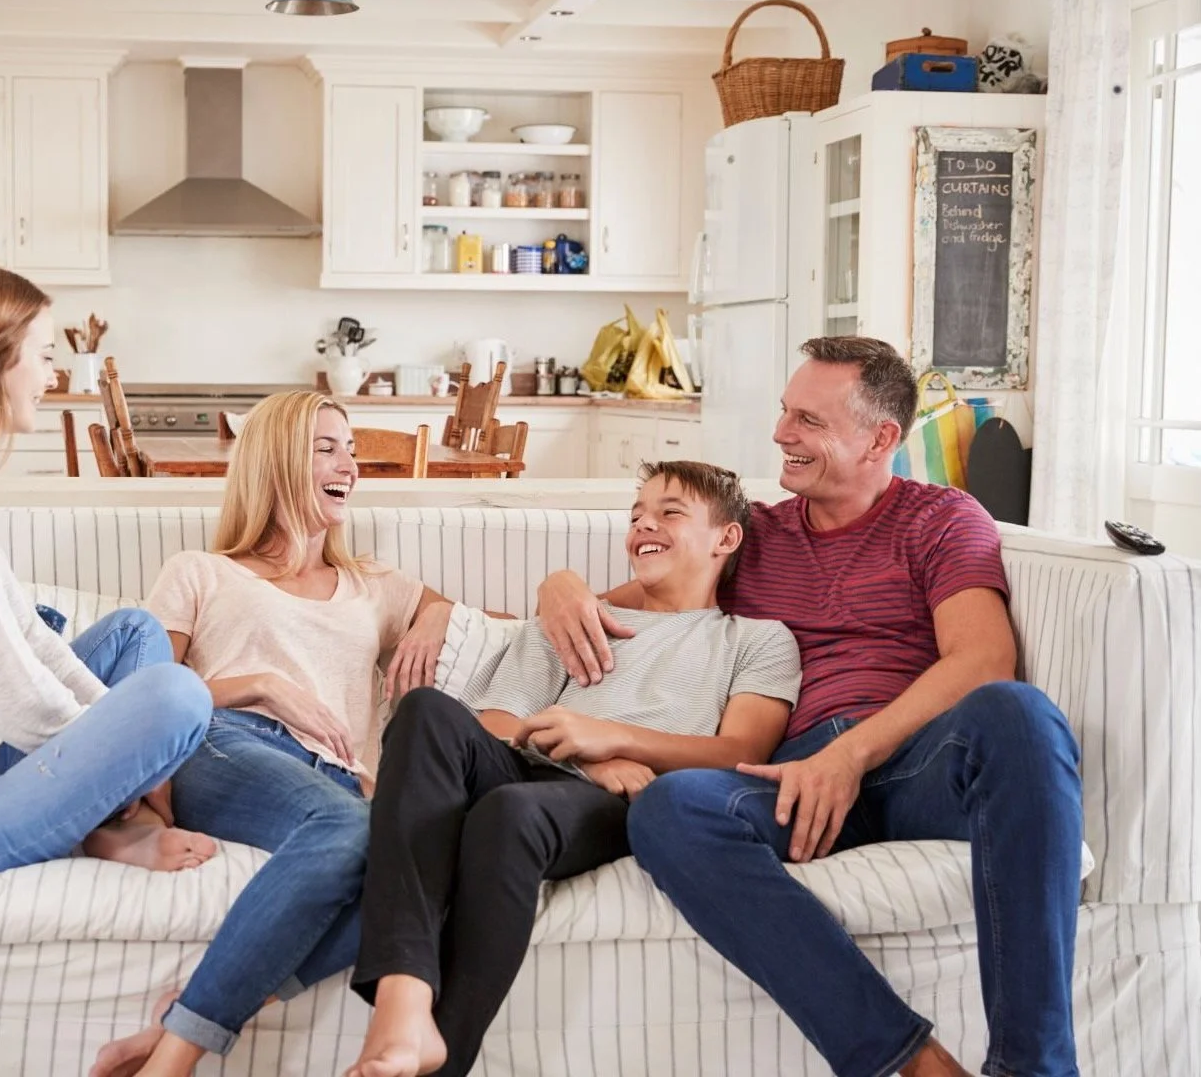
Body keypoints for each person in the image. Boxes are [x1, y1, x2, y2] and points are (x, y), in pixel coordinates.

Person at [536, 338, 1083, 1077]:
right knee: (670, 809)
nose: (779, 435)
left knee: (1019, 714)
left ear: (880, 438)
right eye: (783, 413)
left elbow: (982, 659)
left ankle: (1034, 1068)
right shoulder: (751, 537)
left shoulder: (941, 520)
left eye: (807, 421)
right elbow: (616, 605)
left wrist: (851, 756)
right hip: (791, 778)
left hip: (912, 762)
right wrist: (558, 586)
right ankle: (913, 1063)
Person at [346, 460, 803, 1077]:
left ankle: (439, 1058)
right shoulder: (577, 619)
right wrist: (590, 752)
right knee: (426, 709)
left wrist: (613, 742)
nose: (645, 524)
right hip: (537, 764)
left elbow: (738, 752)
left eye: (670, 511)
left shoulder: (756, 639)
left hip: (619, 802)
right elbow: (496, 724)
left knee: (511, 815)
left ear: (726, 538)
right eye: (637, 514)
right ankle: (403, 1001)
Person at [91, 390, 457, 1077]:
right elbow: (142, 704)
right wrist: (261, 685)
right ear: (276, 462)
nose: (347, 463)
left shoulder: (372, 583)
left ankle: (184, 1020)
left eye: (350, 450)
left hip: (337, 781)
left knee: (421, 873)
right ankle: (177, 1059)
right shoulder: (202, 572)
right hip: (227, 742)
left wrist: (438, 614)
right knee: (349, 828)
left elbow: (471, 620)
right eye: (326, 447)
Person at [0, 259, 216, 876]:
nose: (53, 372)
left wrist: (119, 745)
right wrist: (123, 761)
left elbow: (29, 636)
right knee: (177, 696)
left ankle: (103, 820)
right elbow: (15, 700)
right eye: (40, 354)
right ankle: (112, 828)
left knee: (135, 632)